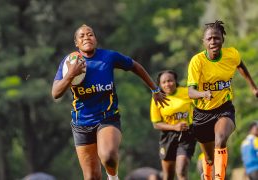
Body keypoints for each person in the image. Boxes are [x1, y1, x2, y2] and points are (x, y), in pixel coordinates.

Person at [51, 24, 169, 180]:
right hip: (81, 124)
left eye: (90, 34)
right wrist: (70, 75)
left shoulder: (109, 57)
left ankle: (113, 177)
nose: (87, 37)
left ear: (96, 39)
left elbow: (135, 66)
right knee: (91, 177)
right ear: (76, 43)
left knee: (108, 156)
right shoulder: (68, 63)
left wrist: (154, 89)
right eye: (82, 36)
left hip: (107, 117)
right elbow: (55, 93)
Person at [187, 20, 258, 180]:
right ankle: (207, 176)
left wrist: (253, 86)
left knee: (220, 139)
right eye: (209, 39)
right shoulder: (197, 61)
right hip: (201, 113)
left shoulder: (231, 54)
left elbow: (241, 65)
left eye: (216, 38)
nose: (213, 42)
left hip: (223, 108)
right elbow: (190, 92)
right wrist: (203, 94)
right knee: (209, 158)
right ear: (204, 42)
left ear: (222, 40)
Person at [150, 70, 196, 180]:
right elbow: (156, 124)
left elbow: (200, 107)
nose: (167, 84)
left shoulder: (186, 92)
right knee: (168, 176)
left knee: (181, 171)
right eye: (164, 82)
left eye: (170, 81)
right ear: (160, 84)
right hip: (168, 137)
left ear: (175, 81)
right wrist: (174, 127)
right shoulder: (157, 98)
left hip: (187, 135)